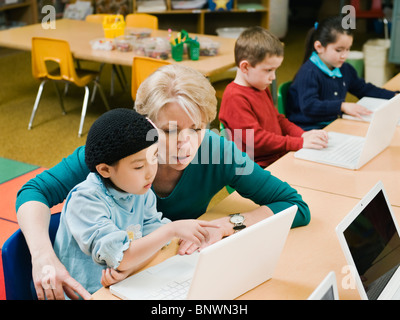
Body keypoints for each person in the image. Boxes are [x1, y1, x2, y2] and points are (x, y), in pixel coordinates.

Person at [16, 64, 311, 300]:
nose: (185, 143)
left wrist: (226, 225)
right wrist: (43, 257)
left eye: (197, 128)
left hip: (153, 272)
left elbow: (295, 206)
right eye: (169, 131)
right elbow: (35, 190)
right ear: (142, 125)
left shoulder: (216, 150)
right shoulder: (117, 151)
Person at [53, 108, 217, 296]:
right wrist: (171, 230)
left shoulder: (139, 188)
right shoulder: (85, 201)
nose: (151, 172)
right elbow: (120, 258)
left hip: (124, 284)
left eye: (154, 157)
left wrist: (130, 269)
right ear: (105, 170)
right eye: (139, 166)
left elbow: (153, 237)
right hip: (88, 294)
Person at [219, 26, 328, 168]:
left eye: (275, 70)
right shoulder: (235, 97)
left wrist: (302, 135)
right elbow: (257, 140)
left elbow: (278, 120)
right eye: (268, 70)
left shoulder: (260, 85)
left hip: (277, 157)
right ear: (245, 67)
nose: (273, 77)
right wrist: (297, 143)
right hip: (255, 168)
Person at [286, 16, 398, 130]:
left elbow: (364, 89)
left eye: (348, 49)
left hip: (332, 123)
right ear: (319, 47)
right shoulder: (309, 73)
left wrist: (393, 96)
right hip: (308, 129)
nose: (345, 55)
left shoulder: (345, 69)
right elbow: (310, 106)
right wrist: (342, 106)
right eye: (339, 50)